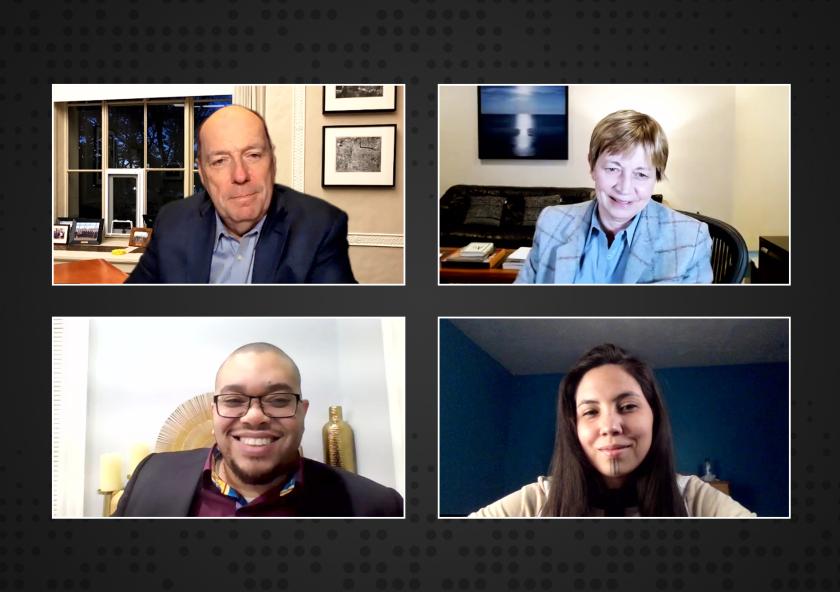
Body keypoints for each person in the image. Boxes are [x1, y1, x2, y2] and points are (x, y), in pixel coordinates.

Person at [114, 343, 402, 517]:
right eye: (234, 400)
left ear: (303, 413)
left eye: (278, 400)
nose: (254, 417)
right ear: (214, 412)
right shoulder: (150, 477)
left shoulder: (377, 507)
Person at [470, 344, 754, 517]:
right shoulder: (536, 502)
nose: (610, 426)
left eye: (628, 406)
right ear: (574, 427)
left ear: (654, 414)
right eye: (591, 412)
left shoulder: (695, 498)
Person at [125, 105, 356, 283]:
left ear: (272, 162)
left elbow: (339, 326)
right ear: (203, 174)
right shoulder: (171, 223)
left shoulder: (319, 226)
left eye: (253, 155)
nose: (240, 175)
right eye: (220, 161)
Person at [515, 110, 713, 284]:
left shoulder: (691, 239)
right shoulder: (552, 222)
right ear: (592, 166)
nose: (625, 188)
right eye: (612, 168)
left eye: (641, 174)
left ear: (656, 177)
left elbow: (691, 324)